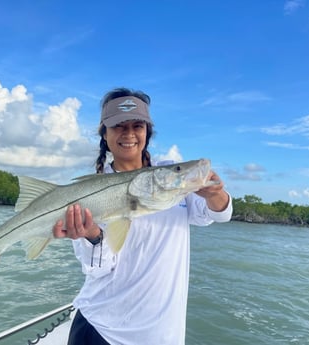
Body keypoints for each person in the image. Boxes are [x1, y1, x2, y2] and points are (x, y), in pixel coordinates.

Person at [53, 87, 233, 345]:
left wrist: (215, 193)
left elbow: (218, 214)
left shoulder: (170, 178)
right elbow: (97, 267)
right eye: (118, 126)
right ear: (105, 133)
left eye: (137, 125)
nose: (129, 134)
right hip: (100, 330)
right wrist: (92, 236)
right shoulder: (90, 192)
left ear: (148, 132)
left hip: (161, 335)